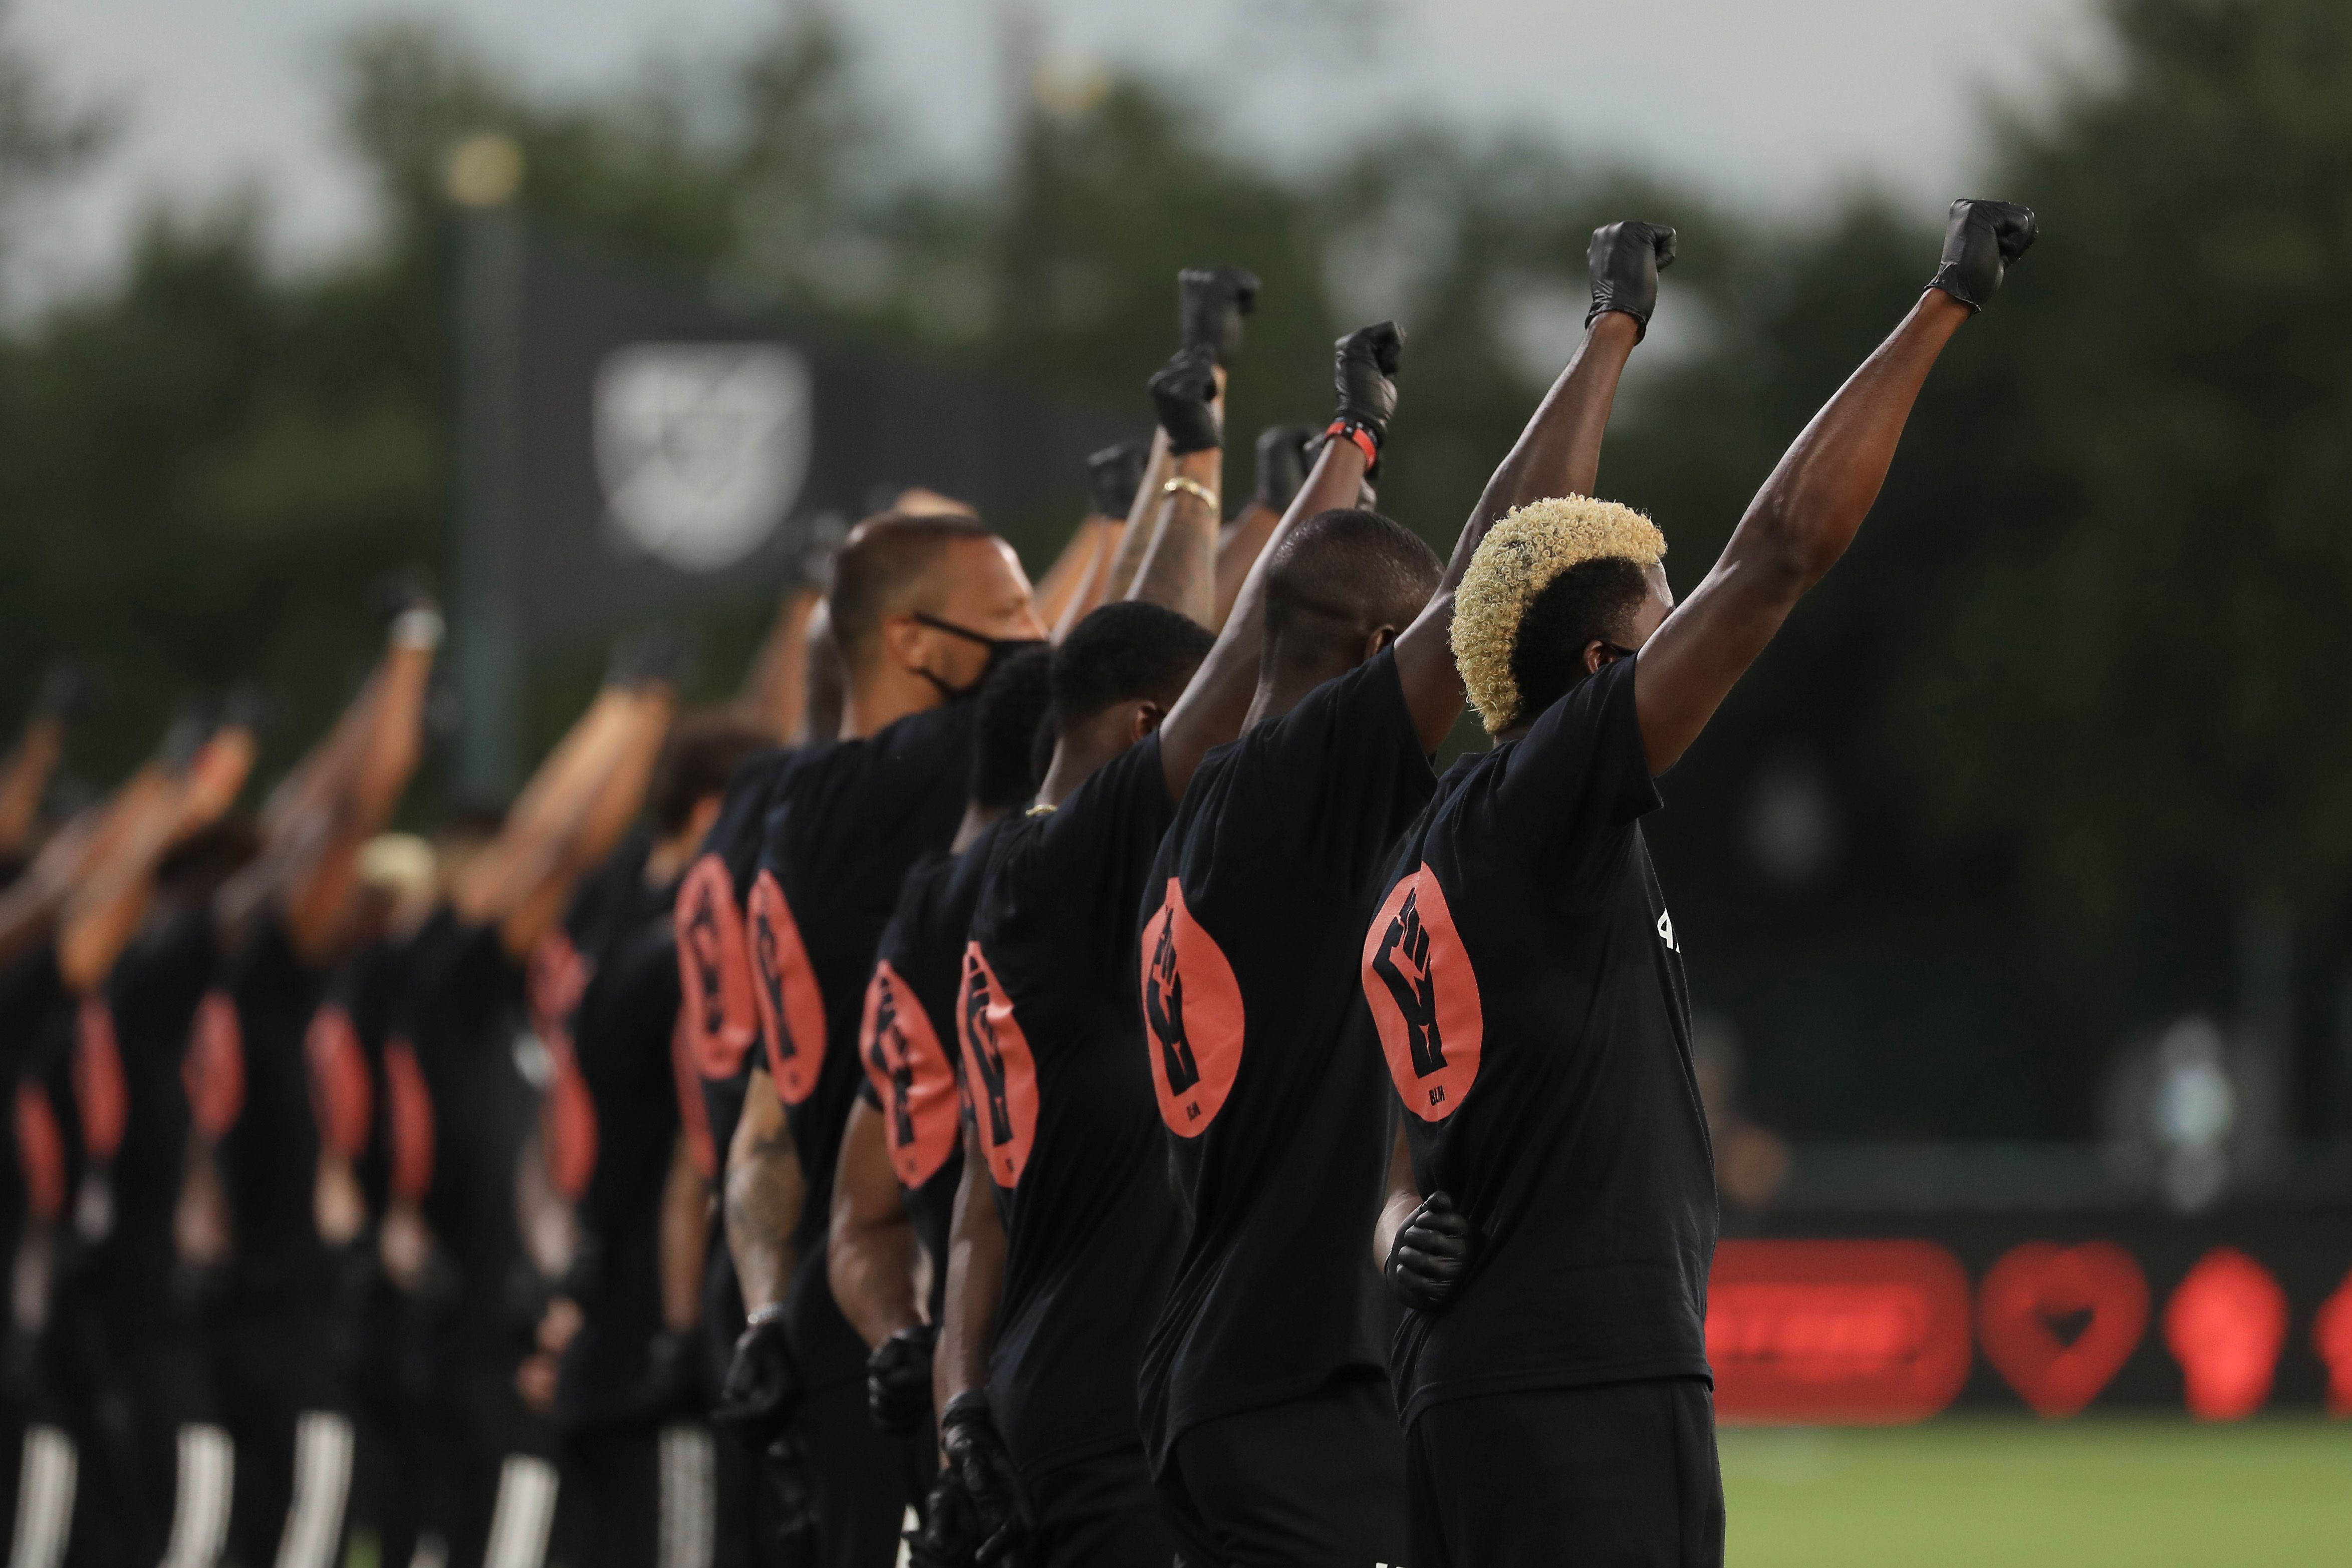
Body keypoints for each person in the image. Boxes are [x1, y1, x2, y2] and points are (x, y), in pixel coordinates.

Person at [1363, 200, 2035, 1566]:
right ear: (1606, 679)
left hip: (1458, 1392)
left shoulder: (1425, 844)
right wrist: (1945, 303)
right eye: (1664, 612)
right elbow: (1781, 548)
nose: (1692, 629)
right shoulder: (1546, 806)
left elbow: (1400, 1162)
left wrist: (1611, 329)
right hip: (1587, 1389)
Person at [934, 304, 1390, 1566]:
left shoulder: (1010, 878)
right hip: (1104, 1419)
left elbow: (977, 1202)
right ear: (1146, 730)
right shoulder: (1074, 861)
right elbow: (1240, 640)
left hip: (1036, 1384)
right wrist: (1349, 450)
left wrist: (1187, 476)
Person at [709, 502, 1052, 1568]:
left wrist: (761, 1312)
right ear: (910, 639)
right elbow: (1119, 655)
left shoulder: (788, 800)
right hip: (897, 1326)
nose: (1035, 634)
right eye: (1010, 611)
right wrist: (1183, 477)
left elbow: (764, 1125)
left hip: (828, 1305)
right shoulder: (908, 779)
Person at [392, 654, 676, 1568]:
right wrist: (623, 712)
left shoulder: (558, 978)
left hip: (574, 1344)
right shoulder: (447, 986)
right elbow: (549, 845)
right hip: (493, 1352)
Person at [822, 646, 1053, 1567]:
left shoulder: (918, 915)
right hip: (1055, 1415)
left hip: (954, 1412)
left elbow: (858, 1215)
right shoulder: (1055, 879)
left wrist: (905, 1337)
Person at [537, 715, 767, 1568]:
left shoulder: (613, 939)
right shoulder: (683, 960)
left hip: (608, 1344)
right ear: (713, 816)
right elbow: (692, 1167)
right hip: (657, 1367)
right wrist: (680, 1337)